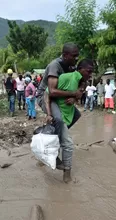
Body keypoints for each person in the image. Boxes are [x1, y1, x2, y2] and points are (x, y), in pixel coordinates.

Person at [36, 43, 84, 181]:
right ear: (65, 55)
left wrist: (78, 93)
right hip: (45, 97)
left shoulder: (72, 66)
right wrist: (73, 93)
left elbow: (82, 80)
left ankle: (51, 139)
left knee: (76, 115)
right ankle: (53, 151)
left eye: (77, 56)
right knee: (59, 120)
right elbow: (51, 91)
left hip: (59, 98)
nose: (76, 58)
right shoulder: (54, 66)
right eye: (74, 56)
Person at [44, 59, 94, 183]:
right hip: (57, 109)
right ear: (80, 69)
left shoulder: (81, 82)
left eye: (92, 72)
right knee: (68, 144)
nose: (90, 74)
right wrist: (49, 114)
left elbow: (78, 95)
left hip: (68, 112)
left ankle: (51, 145)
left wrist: (74, 98)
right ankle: (67, 177)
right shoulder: (67, 77)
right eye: (88, 71)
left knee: (77, 115)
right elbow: (48, 94)